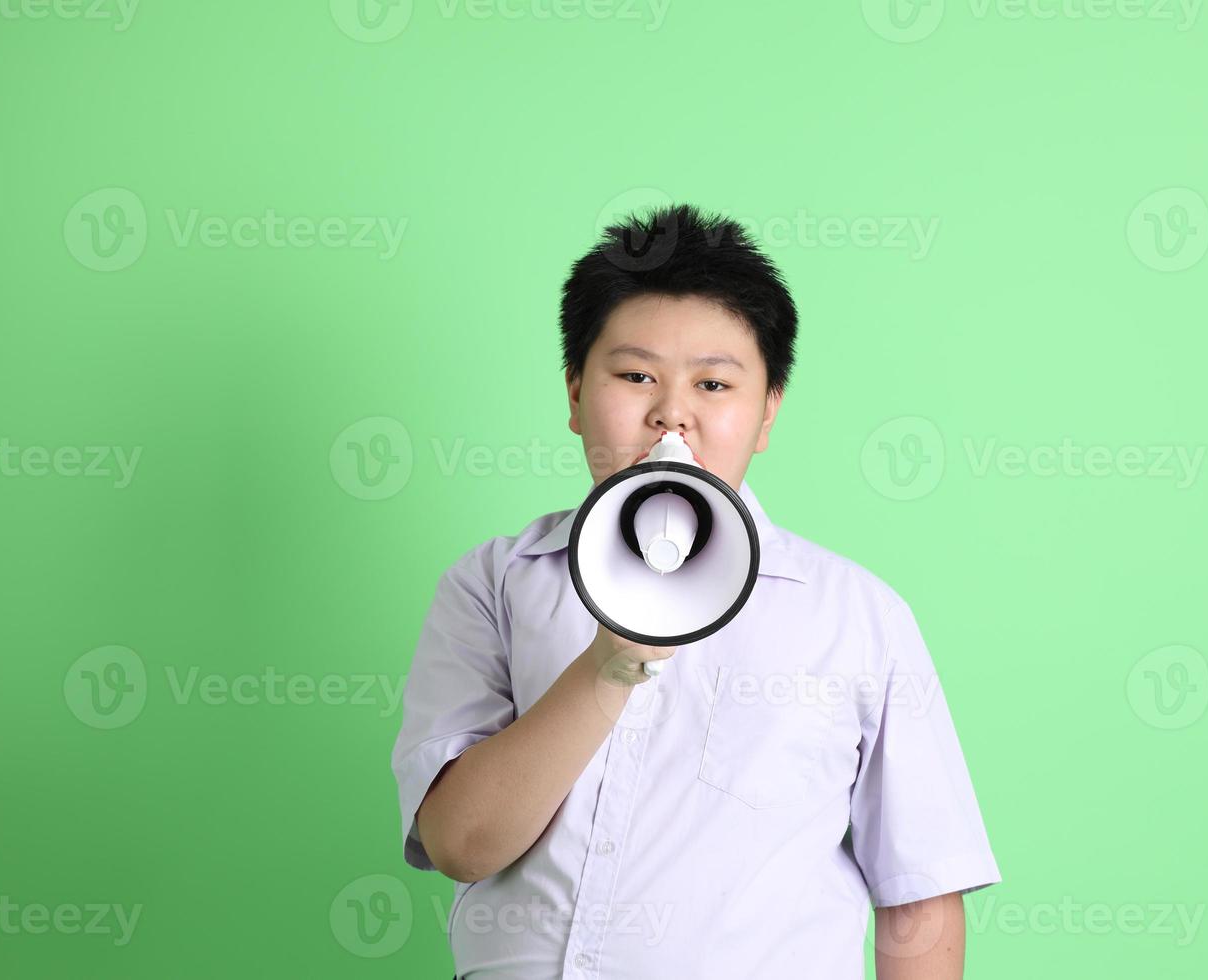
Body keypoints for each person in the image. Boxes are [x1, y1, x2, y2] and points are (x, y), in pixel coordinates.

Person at [391, 203, 1001, 979]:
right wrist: (607, 667)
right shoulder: (495, 584)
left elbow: (919, 891)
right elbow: (461, 845)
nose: (671, 414)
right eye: (635, 375)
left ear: (767, 412)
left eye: (714, 383)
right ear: (575, 394)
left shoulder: (856, 616)